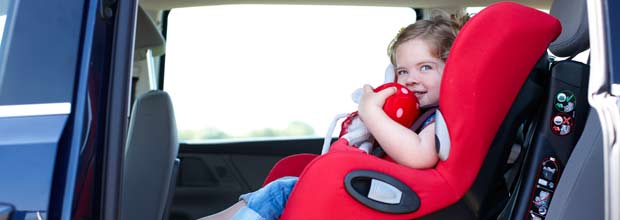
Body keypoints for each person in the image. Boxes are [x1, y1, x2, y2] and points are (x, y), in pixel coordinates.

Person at [199, 13, 468, 220]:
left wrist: (371, 113)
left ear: (452, 71)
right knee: (283, 187)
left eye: (425, 67)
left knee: (283, 190)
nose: (410, 80)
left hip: (391, 197)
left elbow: (420, 155)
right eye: (402, 72)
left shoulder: (438, 119)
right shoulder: (412, 118)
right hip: (379, 191)